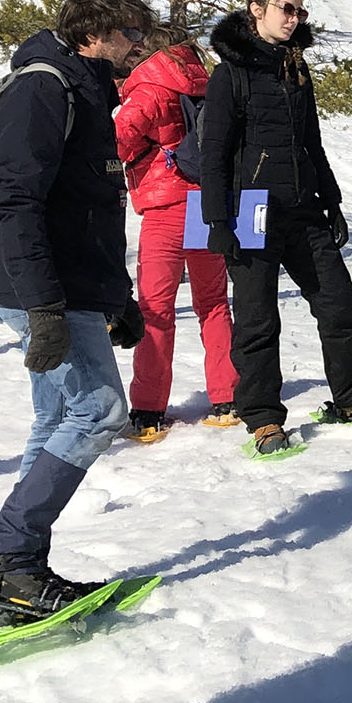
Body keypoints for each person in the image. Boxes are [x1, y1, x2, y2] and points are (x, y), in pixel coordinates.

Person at [0, 0, 150, 614]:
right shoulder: (45, 89)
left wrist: (116, 298)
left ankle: (16, 568)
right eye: (128, 33)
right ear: (93, 32)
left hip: (71, 286)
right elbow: (17, 202)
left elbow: (90, 210)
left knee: (54, 420)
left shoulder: (87, 90)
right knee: (96, 412)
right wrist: (44, 308)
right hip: (42, 288)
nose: (137, 44)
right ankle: (8, 556)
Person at [200, 0, 352, 458]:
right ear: (256, 10)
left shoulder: (296, 70)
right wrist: (217, 221)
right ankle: (263, 418)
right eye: (286, 9)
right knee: (258, 320)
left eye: (299, 12)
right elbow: (214, 155)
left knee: (340, 304)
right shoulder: (230, 75)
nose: (294, 18)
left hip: (303, 208)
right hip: (251, 211)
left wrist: (332, 200)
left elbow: (312, 143)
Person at [115, 23, 240, 436]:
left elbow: (118, 141)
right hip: (205, 204)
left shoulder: (149, 87)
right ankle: (227, 396)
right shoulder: (204, 81)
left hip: (166, 207)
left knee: (156, 309)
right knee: (213, 303)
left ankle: (149, 408)